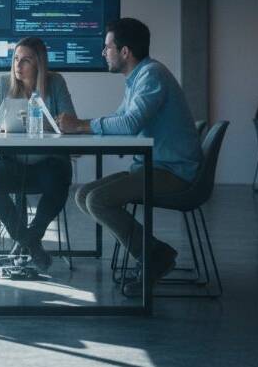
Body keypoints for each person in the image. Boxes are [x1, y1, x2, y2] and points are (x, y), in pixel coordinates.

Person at [57, 18, 202, 297]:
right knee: (83, 194)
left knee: (97, 200)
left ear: (125, 52)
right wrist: (80, 129)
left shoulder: (152, 75)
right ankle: (154, 253)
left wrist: (80, 126)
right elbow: (119, 121)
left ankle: (152, 256)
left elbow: (129, 124)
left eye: (107, 47)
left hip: (172, 172)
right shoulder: (138, 78)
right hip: (153, 166)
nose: (103, 53)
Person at [0, 37, 75, 271]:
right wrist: (0, 127)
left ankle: (28, 239)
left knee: (59, 177)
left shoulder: (56, 82)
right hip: (11, 161)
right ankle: (31, 243)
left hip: (47, 163)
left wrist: (53, 123)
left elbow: (70, 120)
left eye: (26, 60)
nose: (18, 66)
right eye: (15, 59)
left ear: (39, 64)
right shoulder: (1, 84)